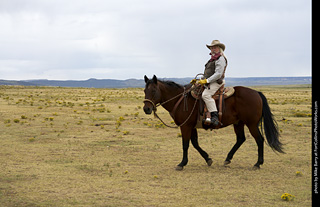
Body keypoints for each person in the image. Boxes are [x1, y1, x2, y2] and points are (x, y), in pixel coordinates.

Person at [192, 40, 228, 126]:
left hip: (216, 82)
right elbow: (208, 74)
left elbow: (218, 74)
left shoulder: (221, 58)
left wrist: (206, 81)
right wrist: (198, 81)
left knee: (206, 95)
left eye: (215, 47)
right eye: (211, 48)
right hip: (210, 82)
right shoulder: (212, 59)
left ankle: (214, 116)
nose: (213, 49)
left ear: (219, 48)